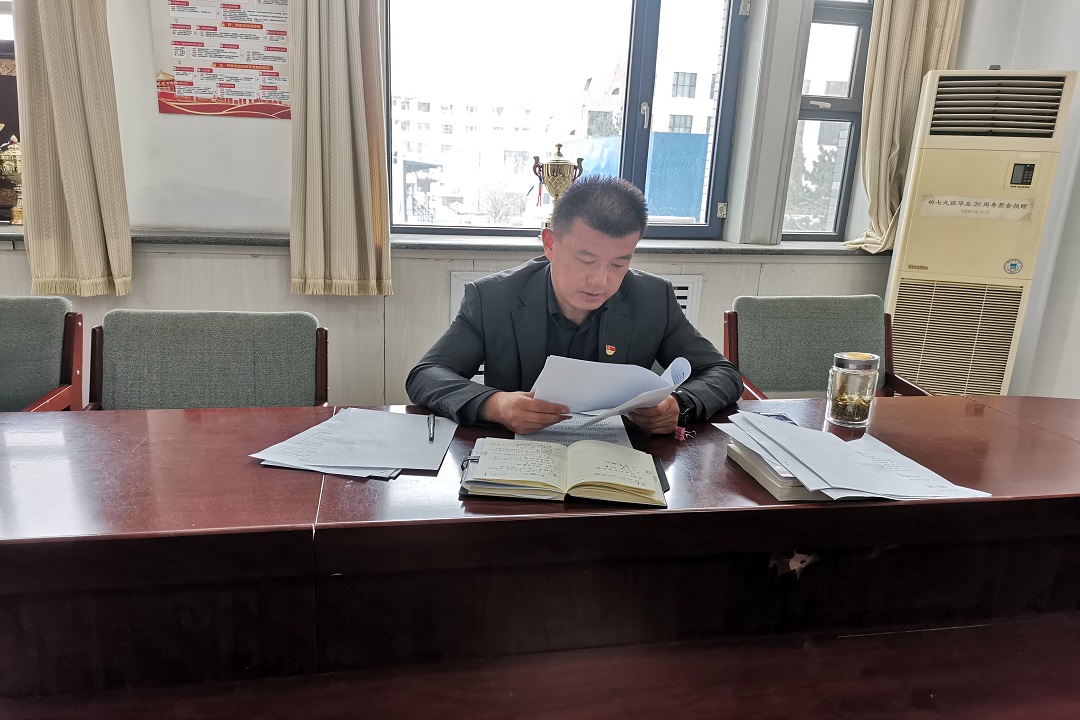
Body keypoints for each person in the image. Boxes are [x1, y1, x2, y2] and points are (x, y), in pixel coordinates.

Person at [406, 176, 743, 435]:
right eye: (586, 260)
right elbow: (426, 375)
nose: (600, 281)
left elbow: (723, 373)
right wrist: (495, 404)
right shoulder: (492, 298)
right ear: (550, 244)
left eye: (618, 264)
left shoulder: (654, 298)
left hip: (619, 462)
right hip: (517, 458)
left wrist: (678, 405)